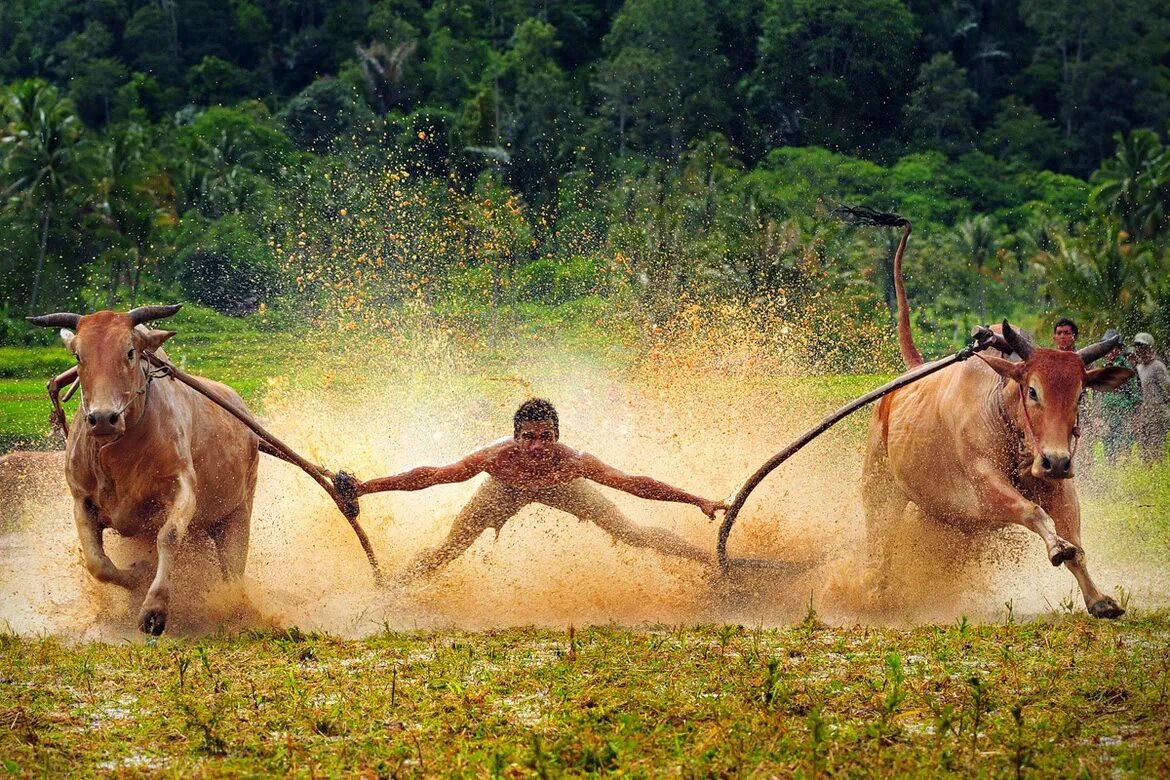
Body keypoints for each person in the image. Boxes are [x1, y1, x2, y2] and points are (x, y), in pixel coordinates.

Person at [345, 398, 726, 582]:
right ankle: (394, 589)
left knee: (630, 532)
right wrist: (363, 488)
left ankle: (713, 563)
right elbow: (432, 475)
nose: (538, 446)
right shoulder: (495, 458)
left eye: (546, 437)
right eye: (529, 438)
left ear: (557, 436)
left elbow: (634, 483)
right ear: (516, 438)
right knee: (450, 547)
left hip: (565, 488)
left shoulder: (574, 461)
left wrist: (697, 500)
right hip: (503, 489)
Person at [1096, 343, 1139, 463]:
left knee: (1123, 451)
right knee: (1109, 451)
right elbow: (1098, 394)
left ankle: (1124, 476)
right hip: (1107, 417)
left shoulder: (1125, 367)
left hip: (1123, 416)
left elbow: (1135, 395)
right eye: (1107, 349)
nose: (1109, 352)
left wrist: (1135, 417)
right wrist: (1097, 416)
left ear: (1118, 350)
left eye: (1112, 349)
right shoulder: (1104, 368)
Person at [1133, 333, 1170, 462]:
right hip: (1146, 413)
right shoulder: (1139, 368)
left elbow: (1168, 388)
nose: (1139, 349)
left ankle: (1158, 471)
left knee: (1157, 448)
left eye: (1142, 346)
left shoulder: (1158, 366)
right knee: (1143, 449)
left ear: (1150, 348)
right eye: (1137, 346)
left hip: (1159, 412)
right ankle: (1147, 474)